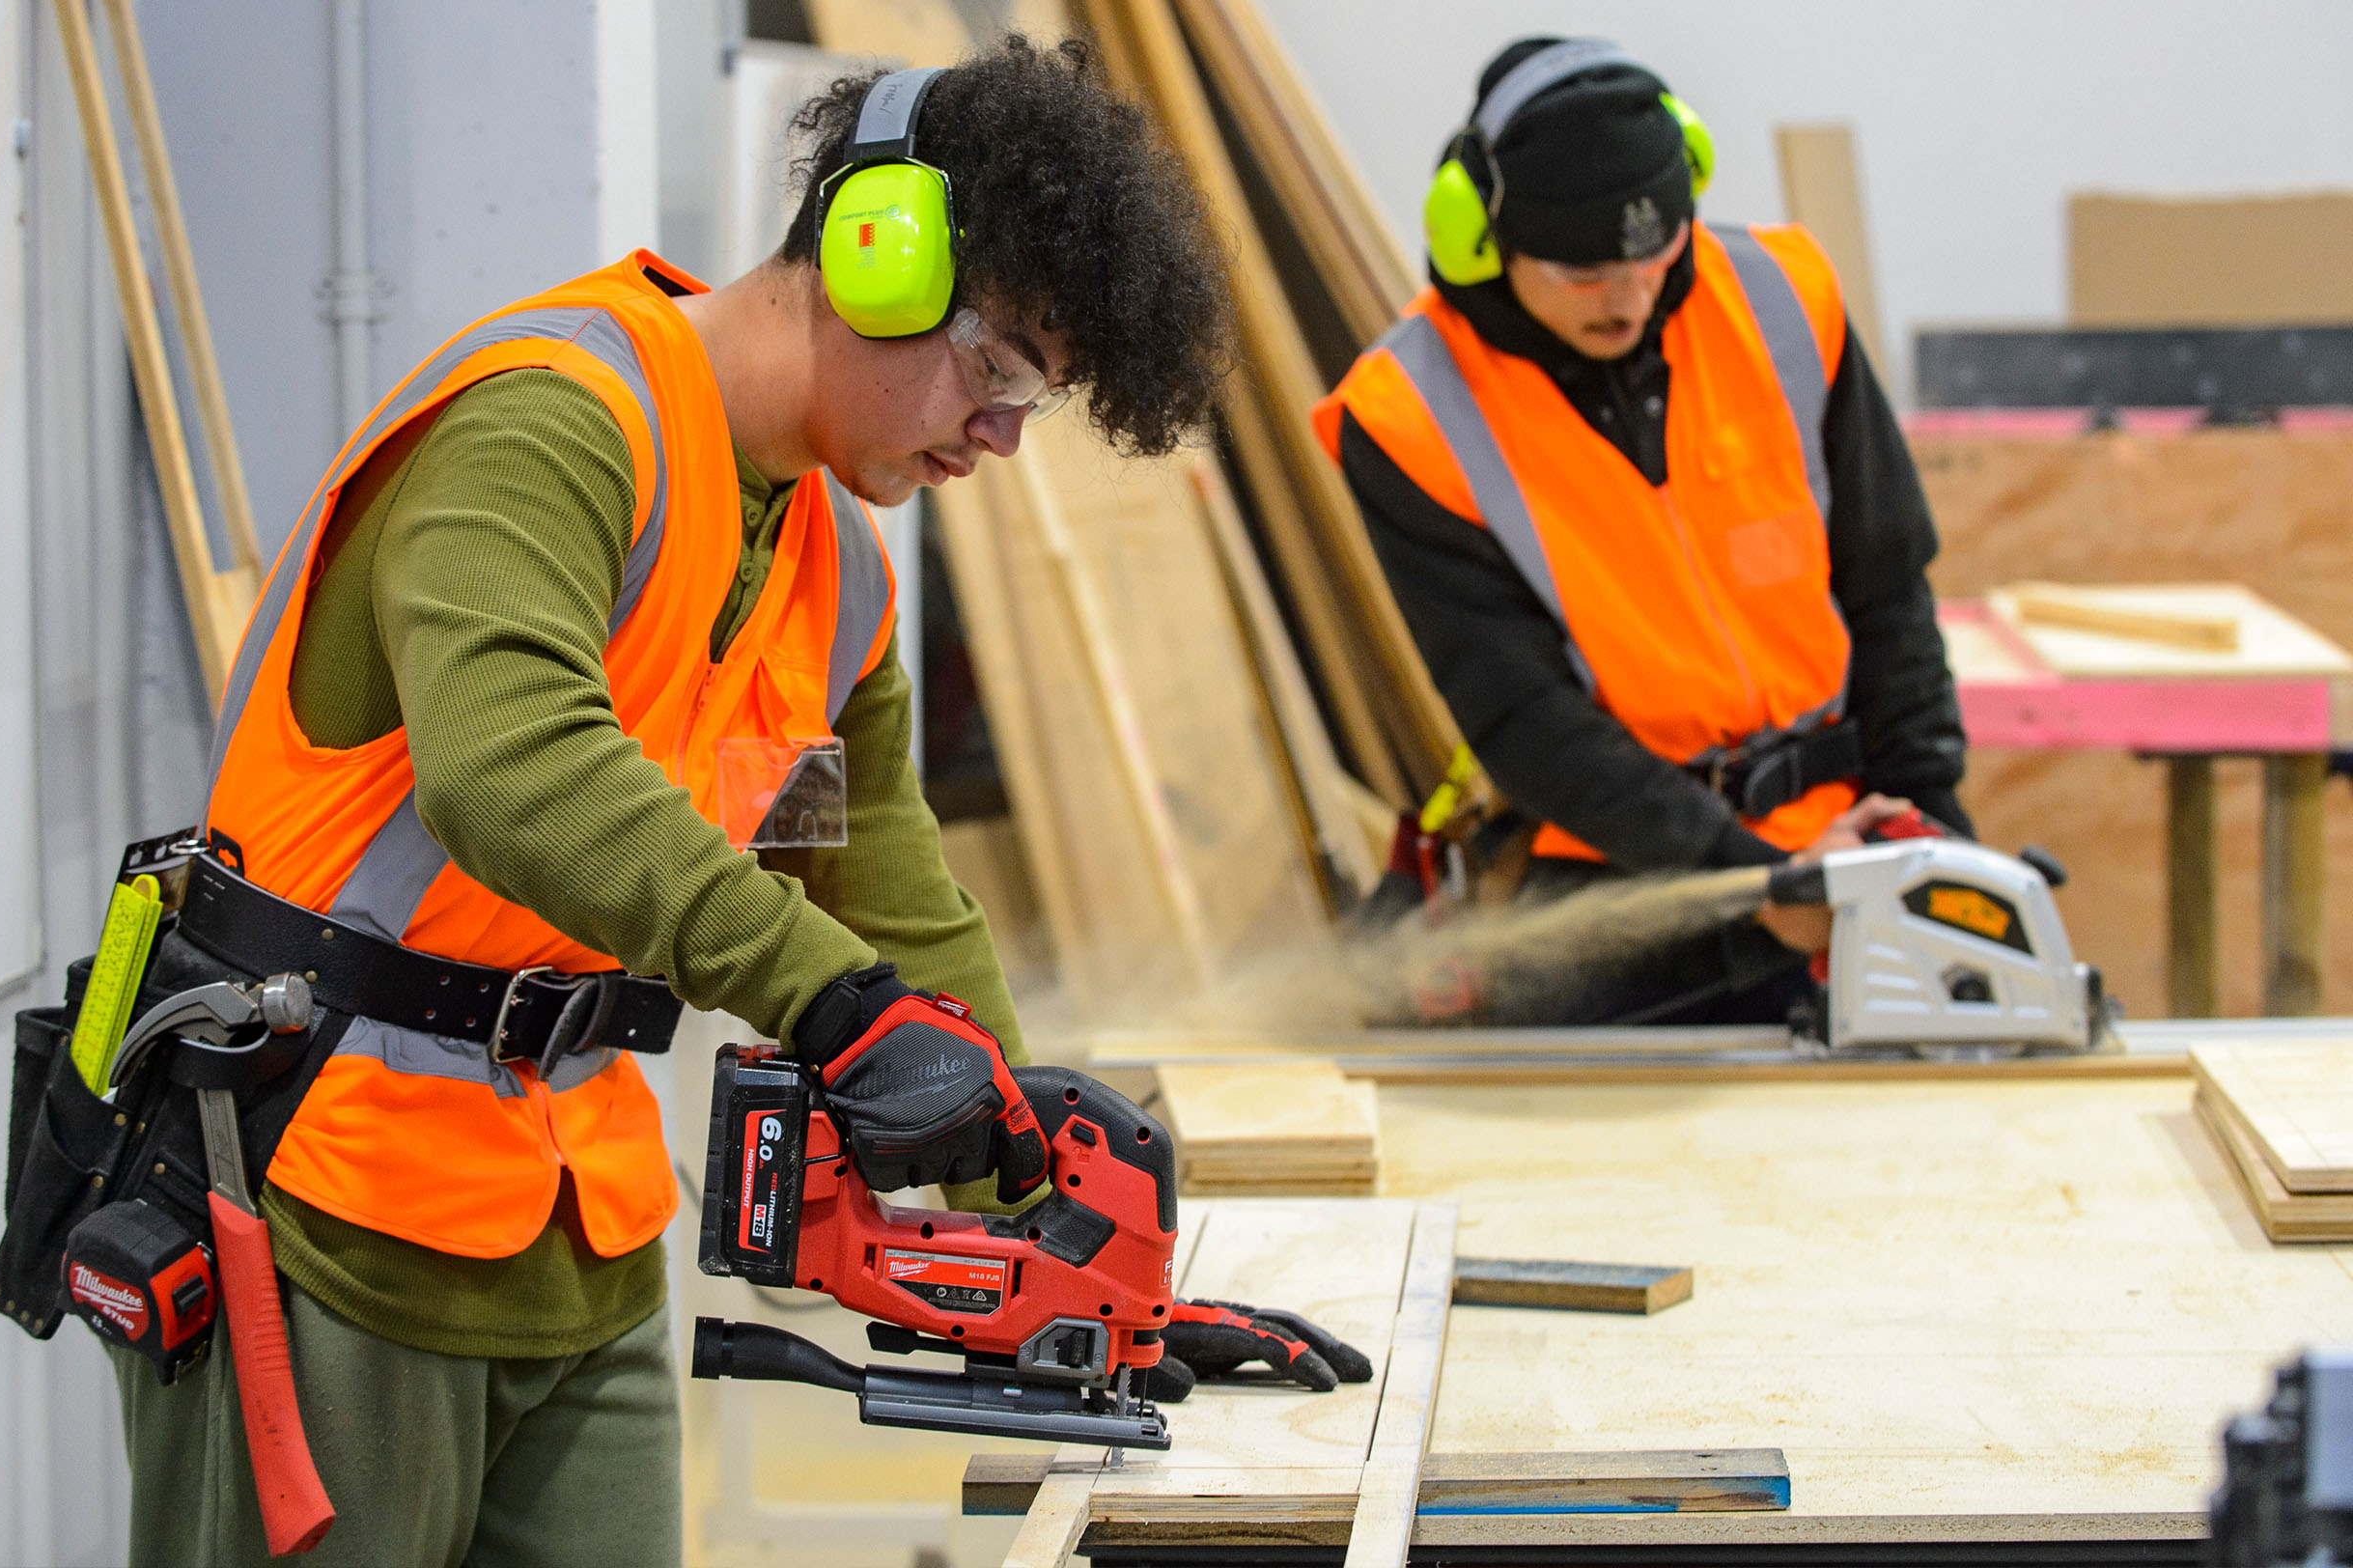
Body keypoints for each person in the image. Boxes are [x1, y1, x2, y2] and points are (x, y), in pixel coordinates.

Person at [103, 39, 1230, 1565]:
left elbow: (879, 887)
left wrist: (1073, 1244)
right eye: (1003, 370)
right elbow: (513, 765)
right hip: (314, 1199)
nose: (1003, 437)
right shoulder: (555, 423)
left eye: (1040, 397)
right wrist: (833, 1004)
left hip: (583, 1222)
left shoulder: (835, 582)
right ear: (876, 252)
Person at [1315, 37, 1972, 1025]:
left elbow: (1887, 587)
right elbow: (1524, 718)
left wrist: (1929, 821)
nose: (1625, 296)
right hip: (1615, 872)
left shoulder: (1785, 300)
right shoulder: (1410, 416)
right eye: (1582, 270)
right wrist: (1753, 883)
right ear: (1478, 233)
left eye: (1652, 256)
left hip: (1837, 839)